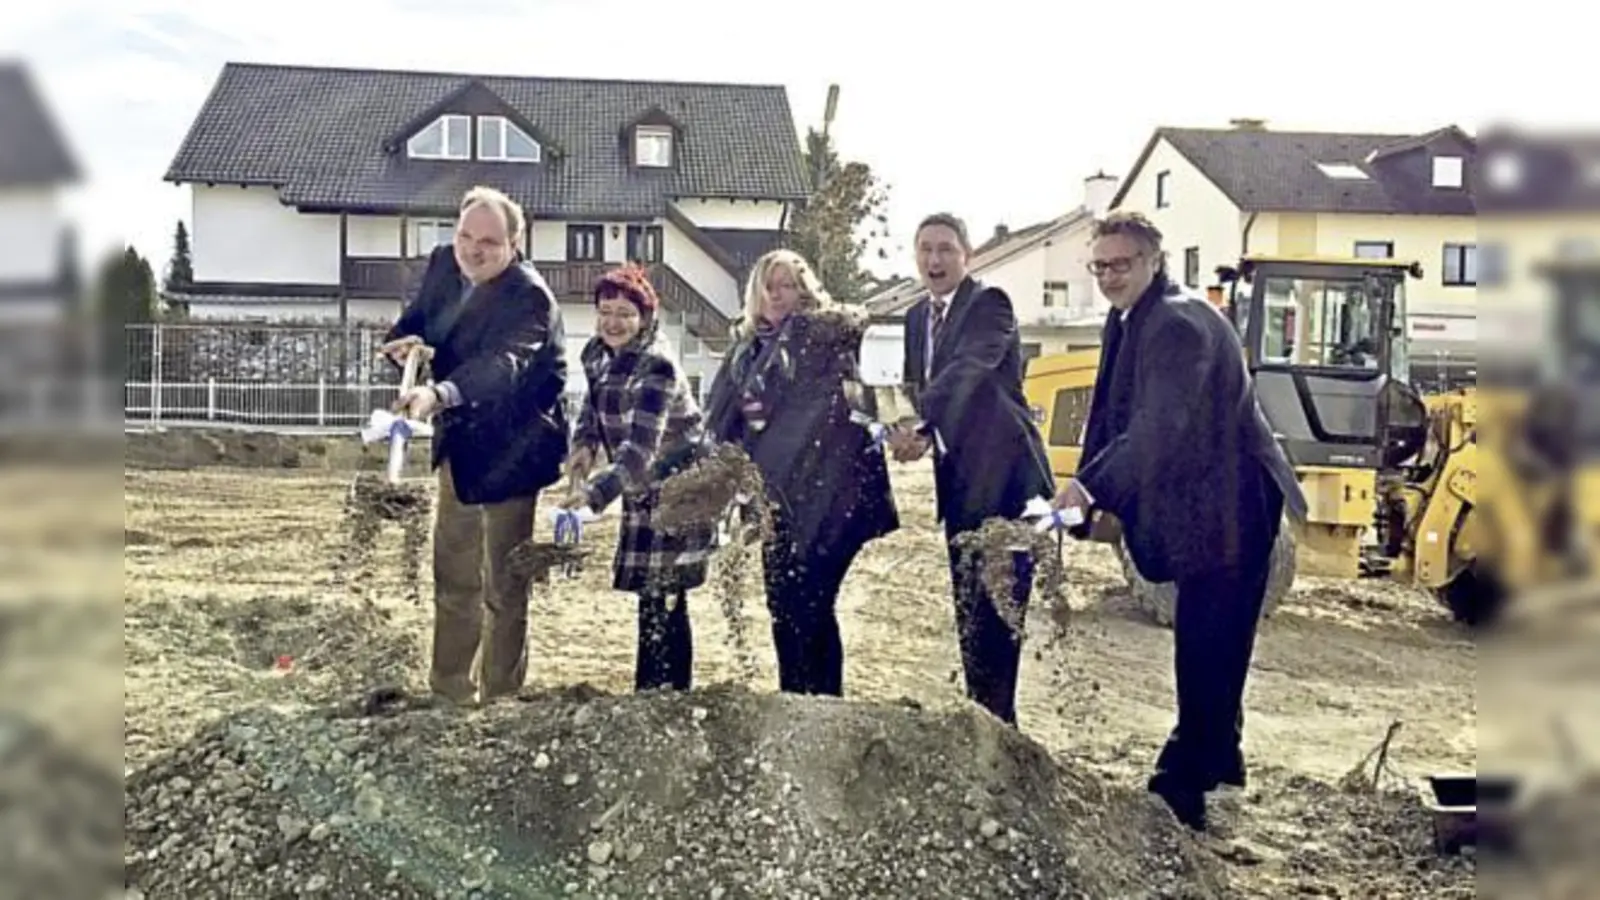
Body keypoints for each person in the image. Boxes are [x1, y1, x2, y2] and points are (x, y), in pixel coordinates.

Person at [1051, 210, 1308, 831]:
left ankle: (1183, 784)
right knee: (1212, 637)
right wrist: (1090, 499)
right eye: (1100, 265)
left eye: (1122, 263)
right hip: (1207, 499)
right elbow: (1112, 417)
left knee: (1208, 642)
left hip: (1233, 501)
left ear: (1152, 261)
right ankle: (1222, 760)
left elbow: (1159, 427)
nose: (1110, 275)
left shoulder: (1176, 324)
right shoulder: (1133, 315)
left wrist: (1090, 488)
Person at [381, 185, 569, 707]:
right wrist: (402, 343)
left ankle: (501, 700)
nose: (472, 249)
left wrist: (438, 393)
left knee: (503, 587)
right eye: (465, 236)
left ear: (514, 244)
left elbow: (503, 365)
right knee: (454, 573)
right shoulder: (444, 264)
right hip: (460, 447)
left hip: (515, 449)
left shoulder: (529, 297)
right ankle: (449, 693)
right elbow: (420, 319)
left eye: (488, 241)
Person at [703, 249, 899, 696]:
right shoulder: (745, 352)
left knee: (813, 603)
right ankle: (793, 697)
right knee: (781, 604)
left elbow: (855, 399)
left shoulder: (822, 340)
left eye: (787, 283)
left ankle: (826, 704)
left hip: (829, 499)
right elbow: (720, 421)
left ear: (804, 291)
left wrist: (902, 423)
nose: (776, 293)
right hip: (775, 503)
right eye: (768, 284)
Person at [887, 212, 1055, 726]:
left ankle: (1000, 728)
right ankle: (982, 721)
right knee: (968, 610)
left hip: (1009, 483)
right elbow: (919, 388)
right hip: (960, 484)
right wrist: (903, 428)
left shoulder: (990, 305)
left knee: (1000, 613)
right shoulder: (917, 318)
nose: (934, 260)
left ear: (968, 255)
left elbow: (968, 371)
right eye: (925, 250)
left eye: (945, 249)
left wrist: (919, 423)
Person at [560, 264, 715, 692]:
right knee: (649, 596)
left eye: (625, 313)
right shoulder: (596, 353)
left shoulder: (657, 368)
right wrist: (584, 446)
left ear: (644, 318)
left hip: (679, 490)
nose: (613, 322)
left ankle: (668, 694)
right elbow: (591, 409)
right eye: (606, 310)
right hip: (640, 489)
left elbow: (640, 452)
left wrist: (595, 494)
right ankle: (649, 693)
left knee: (666, 594)